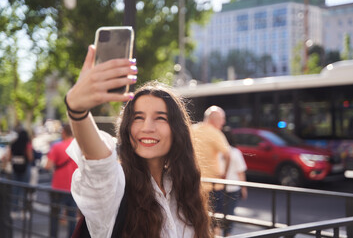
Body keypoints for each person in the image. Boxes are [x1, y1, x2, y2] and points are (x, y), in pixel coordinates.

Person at [64, 44, 211, 237]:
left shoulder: (184, 188)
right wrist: (77, 111)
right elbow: (98, 164)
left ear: (177, 130)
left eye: (160, 118)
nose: (147, 127)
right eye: (138, 117)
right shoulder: (116, 186)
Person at [191, 105, 231, 234]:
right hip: (213, 186)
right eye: (222, 119)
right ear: (214, 119)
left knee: (196, 219)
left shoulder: (192, 130)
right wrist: (224, 173)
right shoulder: (215, 133)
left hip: (194, 184)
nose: (223, 122)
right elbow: (227, 155)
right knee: (215, 222)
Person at [45, 124, 77, 238]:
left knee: (54, 217)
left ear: (63, 132)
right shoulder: (79, 147)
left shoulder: (56, 147)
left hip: (58, 188)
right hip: (74, 188)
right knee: (72, 219)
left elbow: (47, 166)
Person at [220, 126, 248, 236]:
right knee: (230, 214)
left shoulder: (217, 151)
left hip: (219, 186)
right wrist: (244, 189)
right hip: (233, 187)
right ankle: (227, 234)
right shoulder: (235, 152)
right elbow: (240, 172)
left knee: (217, 214)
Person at [8, 128, 34, 217]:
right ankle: (24, 212)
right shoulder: (27, 144)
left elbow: (9, 157)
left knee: (15, 190)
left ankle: (14, 211)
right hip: (25, 168)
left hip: (15, 168)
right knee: (24, 190)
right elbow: (30, 157)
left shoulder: (14, 143)